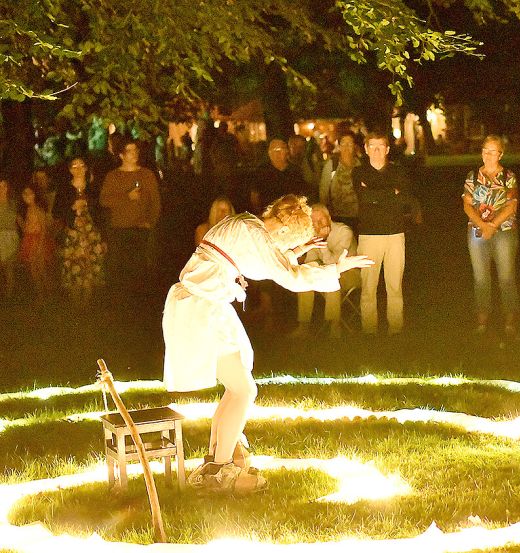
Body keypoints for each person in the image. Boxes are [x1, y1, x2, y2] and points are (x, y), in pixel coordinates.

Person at [163, 194, 372, 492]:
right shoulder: (254, 234)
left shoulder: (246, 223)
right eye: (291, 236)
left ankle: (218, 457)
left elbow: (262, 257)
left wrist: (295, 249)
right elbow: (288, 276)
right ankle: (220, 471)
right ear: (285, 228)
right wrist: (335, 269)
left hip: (203, 305)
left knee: (239, 385)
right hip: (201, 308)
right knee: (244, 390)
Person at [353, 131, 422, 335]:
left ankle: (396, 329)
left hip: (394, 235)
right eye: (372, 146)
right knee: (368, 287)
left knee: (394, 286)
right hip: (369, 236)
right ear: (365, 149)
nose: (376, 150)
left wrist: (376, 195)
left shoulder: (398, 172)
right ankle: (369, 330)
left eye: (380, 146)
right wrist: (390, 194)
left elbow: (403, 199)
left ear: (387, 149)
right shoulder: (358, 173)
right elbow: (364, 197)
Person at [463, 135, 520, 338]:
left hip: (504, 231)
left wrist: (493, 225)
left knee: (506, 277)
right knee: (481, 278)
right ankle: (482, 319)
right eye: (485, 150)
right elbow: (467, 205)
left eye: (493, 151)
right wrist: (482, 225)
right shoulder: (473, 177)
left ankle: (510, 320)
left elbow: (512, 205)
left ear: (501, 154)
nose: (488, 155)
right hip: (478, 232)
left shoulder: (508, 177)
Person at [99, 139, 161, 300]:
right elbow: (104, 200)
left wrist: (150, 222)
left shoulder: (146, 175)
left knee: (140, 269)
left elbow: (155, 202)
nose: (134, 154)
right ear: (121, 155)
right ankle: (122, 304)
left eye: (136, 150)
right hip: (119, 229)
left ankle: (139, 304)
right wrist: (127, 197)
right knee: (121, 269)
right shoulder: (113, 176)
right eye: (129, 151)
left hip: (140, 229)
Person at [293, 203, 359, 339]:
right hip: (328, 270)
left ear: (328, 217)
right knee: (306, 278)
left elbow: (334, 263)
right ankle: (303, 326)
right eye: (314, 222)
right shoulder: (313, 235)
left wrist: (322, 241)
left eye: (321, 220)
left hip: (351, 273)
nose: (319, 225)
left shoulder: (344, 232)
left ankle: (335, 326)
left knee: (331, 279)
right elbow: (310, 261)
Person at [54, 157, 106, 305]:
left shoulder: (93, 188)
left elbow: (101, 212)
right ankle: (75, 307)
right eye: (74, 166)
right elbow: (57, 212)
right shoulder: (64, 190)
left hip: (91, 235)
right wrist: (72, 209)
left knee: (89, 269)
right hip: (73, 235)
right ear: (70, 170)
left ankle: (87, 306)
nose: (78, 169)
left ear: (86, 168)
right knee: (74, 269)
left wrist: (87, 203)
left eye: (82, 165)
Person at [18, 184, 55, 297]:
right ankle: (41, 296)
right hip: (29, 239)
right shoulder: (28, 209)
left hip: (38, 240)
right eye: (24, 194)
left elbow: (43, 228)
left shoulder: (38, 209)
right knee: (34, 271)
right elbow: (26, 229)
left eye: (29, 193)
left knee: (42, 270)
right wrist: (21, 223)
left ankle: (49, 294)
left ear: (34, 194)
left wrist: (39, 245)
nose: (26, 196)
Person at [322, 131, 361, 230]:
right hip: (337, 218)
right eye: (343, 143)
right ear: (339, 146)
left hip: (358, 217)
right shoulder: (332, 165)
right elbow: (323, 192)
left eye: (350, 144)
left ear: (354, 146)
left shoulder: (360, 165)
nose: (346, 147)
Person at [255, 139, 306, 206]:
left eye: (284, 148)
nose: (287, 151)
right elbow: (255, 195)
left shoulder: (294, 170)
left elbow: (301, 194)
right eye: (275, 150)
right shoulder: (262, 171)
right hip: (269, 213)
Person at [0, 177, 19, 299]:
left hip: (11, 237)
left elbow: (18, 220)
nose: (2, 189)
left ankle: (9, 294)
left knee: (9, 267)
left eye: (4, 186)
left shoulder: (13, 203)